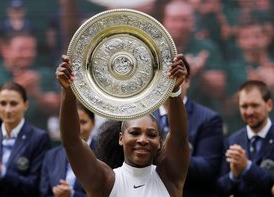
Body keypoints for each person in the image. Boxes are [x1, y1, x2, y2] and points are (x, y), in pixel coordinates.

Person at [55, 53, 190, 196]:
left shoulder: (169, 178)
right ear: (121, 138)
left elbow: (179, 137)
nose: (143, 140)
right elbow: (72, 142)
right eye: (134, 132)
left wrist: (174, 90)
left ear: (159, 142)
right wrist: (68, 91)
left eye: (151, 134)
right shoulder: (105, 181)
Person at [153, 64, 224, 196]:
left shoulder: (208, 119)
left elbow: (208, 168)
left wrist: (172, 154)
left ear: (186, 81)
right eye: (163, 79)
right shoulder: (144, 117)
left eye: (174, 78)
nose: (168, 84)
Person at [0, 81, 51, 197]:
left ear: (26, 105)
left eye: (13, 104)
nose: (8, 110)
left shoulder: (39, 138)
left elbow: (36, 187)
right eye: (3, 103)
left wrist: (2, 174)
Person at [0, 31, 60, 131]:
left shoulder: (44, 74)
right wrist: (18, 87)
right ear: (4, 49)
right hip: (0, 138)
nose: (28, 54)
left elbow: (60, 108)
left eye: (32, 49)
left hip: (38, 139)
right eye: (22, 49)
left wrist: (37, 95)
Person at [216, 80, 274, 197]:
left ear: (269, 105)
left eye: (254, 105)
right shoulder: (232, 141)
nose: (249, 112)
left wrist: (247, 167)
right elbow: (220, 188)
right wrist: (234, 175)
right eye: (244, 106)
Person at [40, 102, 97, 197]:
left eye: (83, 122)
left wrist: (72, 194)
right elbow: (43, 192)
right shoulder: (51, 155)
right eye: (73, 122)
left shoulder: (104, 153)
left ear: (93, 123)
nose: (77, 128)